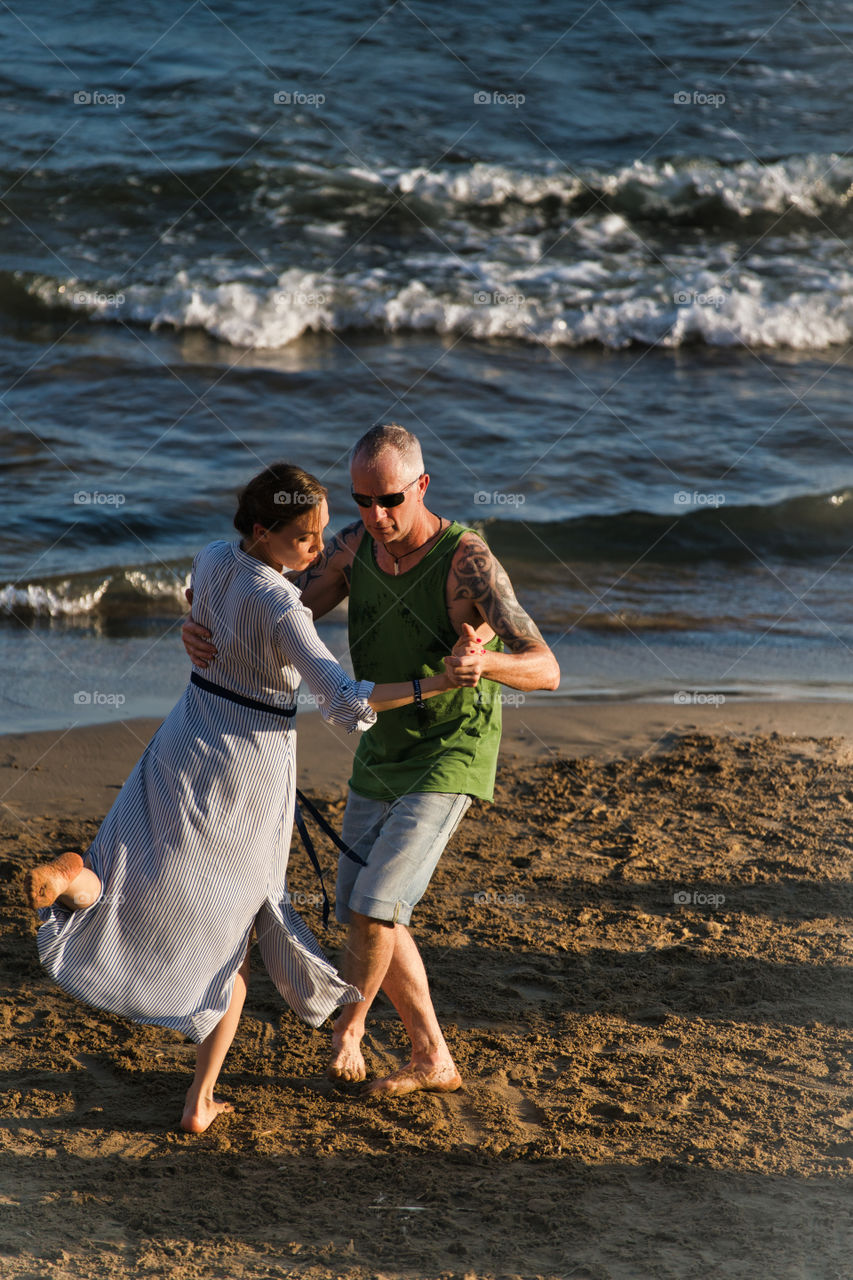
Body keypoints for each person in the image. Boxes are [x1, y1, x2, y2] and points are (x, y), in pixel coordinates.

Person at [25, 462, 476, 1133]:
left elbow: (194, 594)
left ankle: (71, 879)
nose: (318, 551)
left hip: (184, 735)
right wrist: (436, 684)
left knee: (124, 871)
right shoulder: (280, 605)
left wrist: (194, 617)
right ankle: (198, 1103)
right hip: (243, 770)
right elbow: (345, 702)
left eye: (323, 534)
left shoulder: (213, 558)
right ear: (263, 531)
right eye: (303, 538)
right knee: (229, 949)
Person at [183, 425, 560, 1097]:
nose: (376, 517)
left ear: (421, 487)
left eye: (389, 499)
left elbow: (546, 668)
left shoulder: (464, 561)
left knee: (376, 904)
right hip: (380, 743)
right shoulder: (354, 547)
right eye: (362, 500)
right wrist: (201, 625)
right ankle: (432, 1056)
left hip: (449, 749)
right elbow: (272, 617)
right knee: (361, 907)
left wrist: (484, 662)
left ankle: (347, 1033)